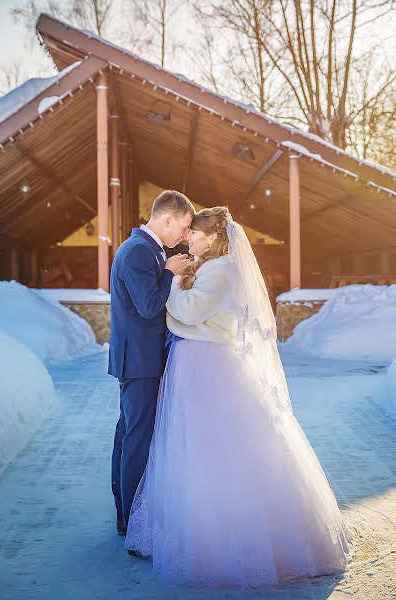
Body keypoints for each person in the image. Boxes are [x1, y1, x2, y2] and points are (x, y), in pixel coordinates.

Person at [125, 206, 350, 589]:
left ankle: (235, 539)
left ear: (212, 238)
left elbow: (191, 311)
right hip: (192, 361)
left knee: (221, 447)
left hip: (210, 365)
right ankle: (194, 525)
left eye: (194, 233)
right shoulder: (204, 266)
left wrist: (170, 284)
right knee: (191, 448)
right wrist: (177, 283)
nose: (188, 238)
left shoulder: (223, 268)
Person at [108, 190, 195, 534]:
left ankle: (124, 513)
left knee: (128, 434)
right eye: (185, 226)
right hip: (140, 362)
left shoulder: (146, 249)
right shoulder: (140, 251)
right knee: (136, 439)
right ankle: (131, 520)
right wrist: (170, 272)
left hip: (138, 359)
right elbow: (148, 306)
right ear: (167, 218)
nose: (184, 235)